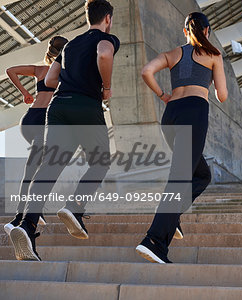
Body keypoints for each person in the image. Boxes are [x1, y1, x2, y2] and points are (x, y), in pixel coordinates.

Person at [9, 0, 120, 261]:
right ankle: (75, 206)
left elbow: (50, 80)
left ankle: (27, 224)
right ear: (107, 18)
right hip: (85, 105)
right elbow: (104, 54)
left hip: (58, 106)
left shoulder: (70, 45)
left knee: (49, 167)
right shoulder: (107, 38)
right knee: (101, 160)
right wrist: (106, 86)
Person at [137, 12, 228, 263]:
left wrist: (162, 95)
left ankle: (172, 216)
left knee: (201, 174)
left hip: (171, 115)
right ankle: (154, 241)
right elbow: (222, 95)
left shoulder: (172, 54)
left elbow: (146, 71)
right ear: (206, 31)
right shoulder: (214, 55)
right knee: (179, 178)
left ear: (185, 31)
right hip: (194, 113)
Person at [3, 36, 68, 236]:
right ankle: (18, 217)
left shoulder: (39, 70)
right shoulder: (65, 73)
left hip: (29, 118)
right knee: (37, 171)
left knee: (35, 168)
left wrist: (25, 93)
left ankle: (32, 212)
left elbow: (10, 71)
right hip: (42, 120)